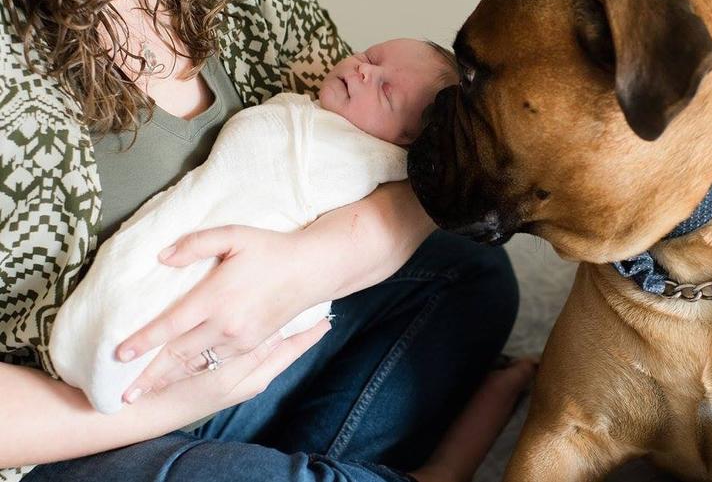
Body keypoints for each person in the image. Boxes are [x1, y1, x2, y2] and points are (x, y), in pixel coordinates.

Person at [0, 0, 526, 482]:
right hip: (74, 427)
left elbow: (399, 155)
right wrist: (169, 405)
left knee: (467, 270)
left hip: (244, 361)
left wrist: (306, 267)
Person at [51, 38, 459, 415]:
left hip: (260, 292)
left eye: (386, 91)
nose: (364, 71)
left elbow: (435, 183)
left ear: (405, 142)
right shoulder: (308, 108)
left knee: (476, 270)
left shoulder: (369, 157)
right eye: (369, 56)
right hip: (168, 393)